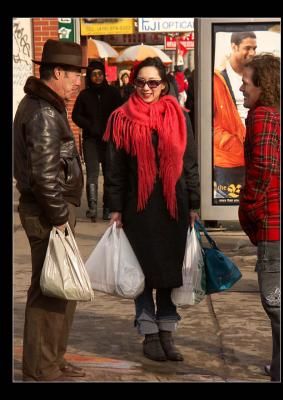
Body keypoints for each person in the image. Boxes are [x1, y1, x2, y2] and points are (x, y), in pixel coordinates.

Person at [103, 57, 200, 362]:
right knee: (143, 272)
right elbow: (115, 169)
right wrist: (115, 208)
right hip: (139, 207)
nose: (147, 88)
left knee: (170, 272)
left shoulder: (179, 115)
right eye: (141, 82)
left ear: (163, 83)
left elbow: (190, 163)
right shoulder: (122, 117)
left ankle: (168, 333)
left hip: (174, 205)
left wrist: (194, 203)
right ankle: (149, 332)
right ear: (133, 83)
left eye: (153, 82)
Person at [14, 39, 85, 381]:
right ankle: (41, 369)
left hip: (52, 212)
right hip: (48, 214)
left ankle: (53, 360)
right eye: (74, 74)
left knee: (62, 289)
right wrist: (58, 219)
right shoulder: (43, 111)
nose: (79, 81)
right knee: (48, 292)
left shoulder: (47, 105)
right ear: (57, 72)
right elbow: (44, 177)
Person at [238, 53, 280, 381]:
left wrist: (249, 206)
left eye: (246, 81)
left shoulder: (262, 115)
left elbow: (263, 167)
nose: (241, 87)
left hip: (273, 223)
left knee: (275, 302)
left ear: (262, 85)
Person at [72, 60, 122, 222]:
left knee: (109, 174)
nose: (98, 77)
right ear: (90, 77)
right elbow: (76, 115)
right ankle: (92, 207)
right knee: (92, 174)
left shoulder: (113, 93)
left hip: (110, 140)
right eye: (94, 74)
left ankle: (107, 207)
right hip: (91, 140)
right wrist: (90, 126)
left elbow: (121, 112)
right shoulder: (84, 95)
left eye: (100, 74)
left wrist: (113, 127)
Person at [214, 32, 257, 199]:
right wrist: (231, 142)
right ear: (233, 46)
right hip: (229, 161)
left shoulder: (258, 77)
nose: (252, 53)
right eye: (247, 48)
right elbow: (207, 121)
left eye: (254, 48)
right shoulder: (217, 79)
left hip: (256, 156)